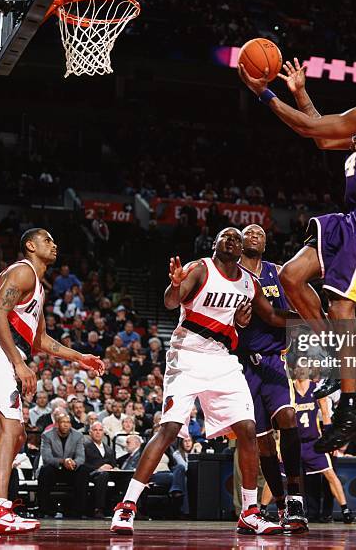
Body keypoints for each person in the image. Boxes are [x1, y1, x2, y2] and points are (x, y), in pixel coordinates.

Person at [239, 59, 356, 453]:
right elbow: (320, 137)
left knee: (340, 303)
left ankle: (350, 408)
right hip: (353, 216)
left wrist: (263, 93)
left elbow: (309, 128)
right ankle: (336, 355)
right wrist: (300, 92)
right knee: (291, 276)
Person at [111, 227, 295, 535]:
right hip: (188, 354)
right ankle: (127, 506)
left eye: (237, 238)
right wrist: (174, 286)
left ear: (241, 251)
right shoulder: (199, 268)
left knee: (248, 429)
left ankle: (250, 511)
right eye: (226, 236)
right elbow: (171, 303)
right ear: (214, 244)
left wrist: (310, 319)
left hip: (223, 358)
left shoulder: (250, 283)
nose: (232, 240)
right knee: (169, 429)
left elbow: (273, 317)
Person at [0, 228, 104, 533]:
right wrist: (18, 364)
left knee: (16, 435)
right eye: (48, 240)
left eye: (55, 240)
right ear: (30, 245)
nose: (55, 244)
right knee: (10, 428)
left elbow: (38, 340)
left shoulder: (37, 287)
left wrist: (81, 358)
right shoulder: (23, 272)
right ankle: (0, 509)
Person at [237, 224, 307, 532]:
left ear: (266, 243)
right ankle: (279, 505)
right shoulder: (230, 275)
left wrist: (314, 318)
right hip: (241, 367)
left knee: (289, 418)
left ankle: (296, 502)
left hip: (274, 361)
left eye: (260, 232)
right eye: (247, 231)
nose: (253, 234)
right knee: (262, 444)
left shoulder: (278, 272)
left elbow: (297, 306)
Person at [293, 371, 356, 524]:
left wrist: (330, 440)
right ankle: (301, 512)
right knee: (298, 480)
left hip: (316, 440)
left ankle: (343, 511)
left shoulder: (320, 388)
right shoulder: (290, 389)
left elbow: (327, 415)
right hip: (295, 441)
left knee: (330, 475)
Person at [38, 413, 88, 518]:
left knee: (83, 470)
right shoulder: (47, 435)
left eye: (68, 422)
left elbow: (81, 457)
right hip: (55, 468)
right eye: (63, 422)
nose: (66, 425)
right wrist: (63, 461)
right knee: (45, 470)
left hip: (71, 469)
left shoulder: (78, 436)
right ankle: (45, 510)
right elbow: (47, 458)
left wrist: (74, 463)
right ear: (56, 424)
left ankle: (78, 511)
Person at [84, 421, 117, 517]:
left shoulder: (109, 449)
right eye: (95, 430)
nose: (98, 432)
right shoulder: (85, 447)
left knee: (126, 477)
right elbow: (83, 464)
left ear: (103, 433)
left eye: (100, 430)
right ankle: (99, 509)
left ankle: (125, 509)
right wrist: (99, 468)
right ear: (90, 433)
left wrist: (115, 468)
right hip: (92, 474)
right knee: (103, 475)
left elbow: (113, 464)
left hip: (109, 474)